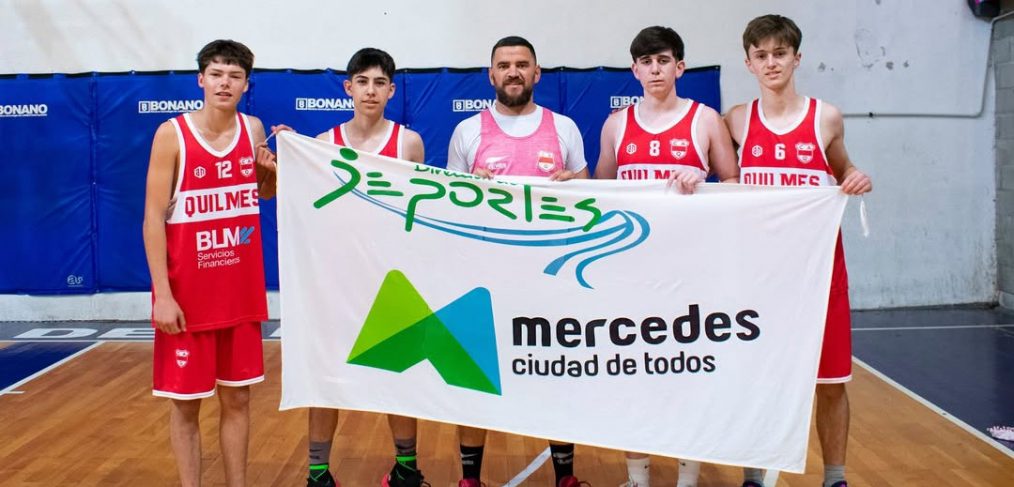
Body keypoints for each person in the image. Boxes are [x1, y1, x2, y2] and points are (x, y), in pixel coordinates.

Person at [724, 14, 873, 487]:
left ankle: (835, 478)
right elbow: (717, 177)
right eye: (761, 55)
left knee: (830, 383)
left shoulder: (825, 117)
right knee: (756, 379)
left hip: (820, 273)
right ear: (749, 63)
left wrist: (856, 177)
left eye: (780, 53)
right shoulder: (738, 120)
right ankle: (752, 476)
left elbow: (845, 169)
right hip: (759, 278)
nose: (771, 63)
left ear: (797, 58)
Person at [594, 26, 739, 487]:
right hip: (632, 269)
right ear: (634, 70)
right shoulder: (616, 125)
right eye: (646, 62)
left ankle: (687, 477)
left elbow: (734, 186)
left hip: (689, 269)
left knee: (687, 372)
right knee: (633, 370)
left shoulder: (705, 119)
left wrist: (704, 184)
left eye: (663, 61)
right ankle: (637, 477)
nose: (655, 70)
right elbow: (598, 193)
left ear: (680, 67)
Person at [446, 35, 589, 487]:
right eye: (504, 65)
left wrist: (572, 187)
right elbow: (449, 208)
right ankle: (470, 478)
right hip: (485, 278)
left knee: (556, 375)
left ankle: (565, 475)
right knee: (475, 376)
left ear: (536, 73)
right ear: (491, 74)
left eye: (522, 64)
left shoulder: (563, 127)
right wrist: (468, 187)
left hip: (550, 279)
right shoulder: (467, 131)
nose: (513, 72)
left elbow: (589, 202)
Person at [142, 39, 276, 487]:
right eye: (216, 74)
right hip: (188, 300)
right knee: (186, 406)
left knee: (238, 401)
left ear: (246, 84)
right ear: (201, 79)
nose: (224, 83)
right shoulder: (172, 134)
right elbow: (152, 218)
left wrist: (269, 171)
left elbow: (263, 194)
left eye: (234, 76)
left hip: (239, 295)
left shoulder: (254, 130)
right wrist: (162, 296)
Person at [305, 47, 426, 487]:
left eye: (379, 83)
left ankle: (406, 469)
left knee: (400, 375)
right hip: (338, 283)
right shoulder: (323, 144)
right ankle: (317, 472)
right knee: (326, 378)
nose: (370, 91)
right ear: (348, 88)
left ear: (391, 91)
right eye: (362, 82)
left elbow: (421, 211)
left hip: (392, 279)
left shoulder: (408, 143)